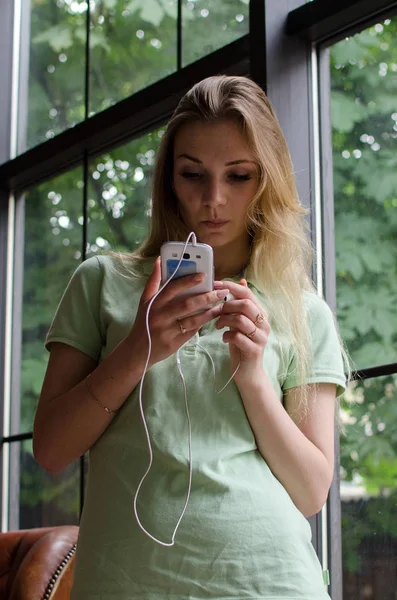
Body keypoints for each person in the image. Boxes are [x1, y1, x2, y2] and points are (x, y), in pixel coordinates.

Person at [33, 75, 348, 599]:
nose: (213, 199)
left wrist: (252, 378)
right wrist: (139, 350)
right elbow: (50, 449)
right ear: (168, 181)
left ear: (266, 180)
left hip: (269, 581)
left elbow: (312, 490)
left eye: (240, 175)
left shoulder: (303, 311)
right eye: (192, 174)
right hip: (124, 582)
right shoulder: (102, 282)